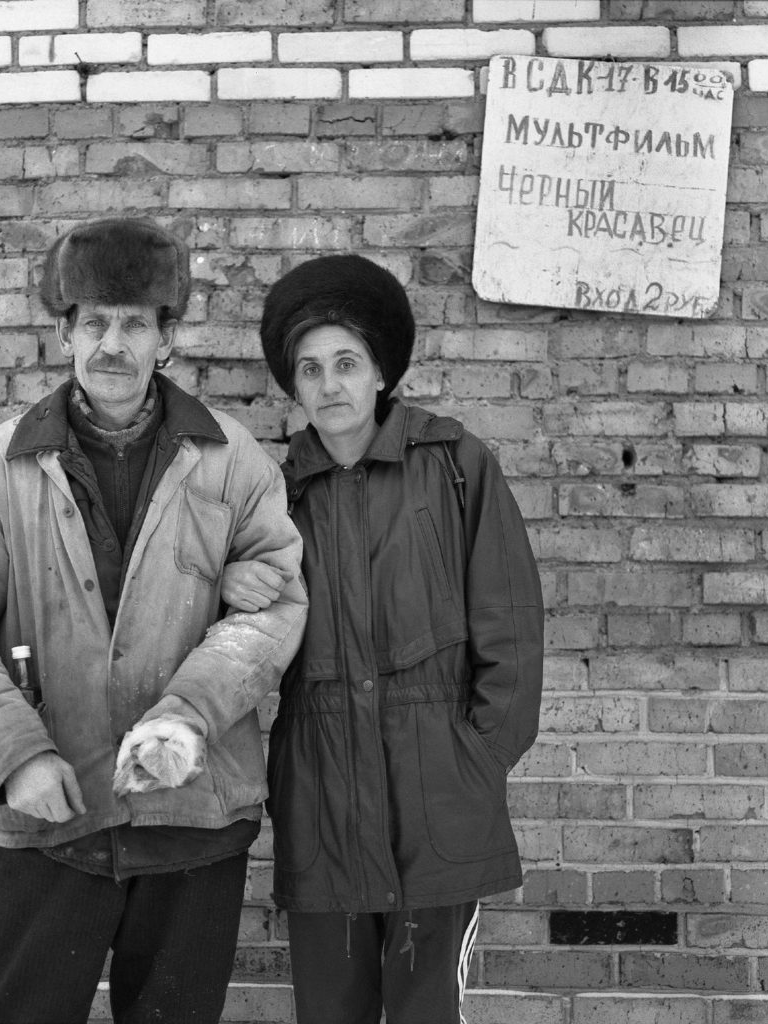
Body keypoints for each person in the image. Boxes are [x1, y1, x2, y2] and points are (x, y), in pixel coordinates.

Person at [0, 217, 307, 1024]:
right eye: (93, 321)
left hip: (191, 815)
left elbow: (269, 610)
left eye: (134, 323)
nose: (112, 343)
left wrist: (187, 721)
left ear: (167, 338)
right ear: (65, 333)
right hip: (50, 814)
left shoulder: (235, 462)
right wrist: (14, 753)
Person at [221, 255, 544, 1024]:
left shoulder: (456, 465)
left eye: (346, 363)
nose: (329, 384)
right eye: (310, 369)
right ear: (293, 386)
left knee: (426, 1010)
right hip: (322, 796)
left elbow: (511, 626)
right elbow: (234, 639)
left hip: (438, 796)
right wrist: (228, 587)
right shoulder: (273, 494)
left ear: (379, 373)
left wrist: (476, 758)